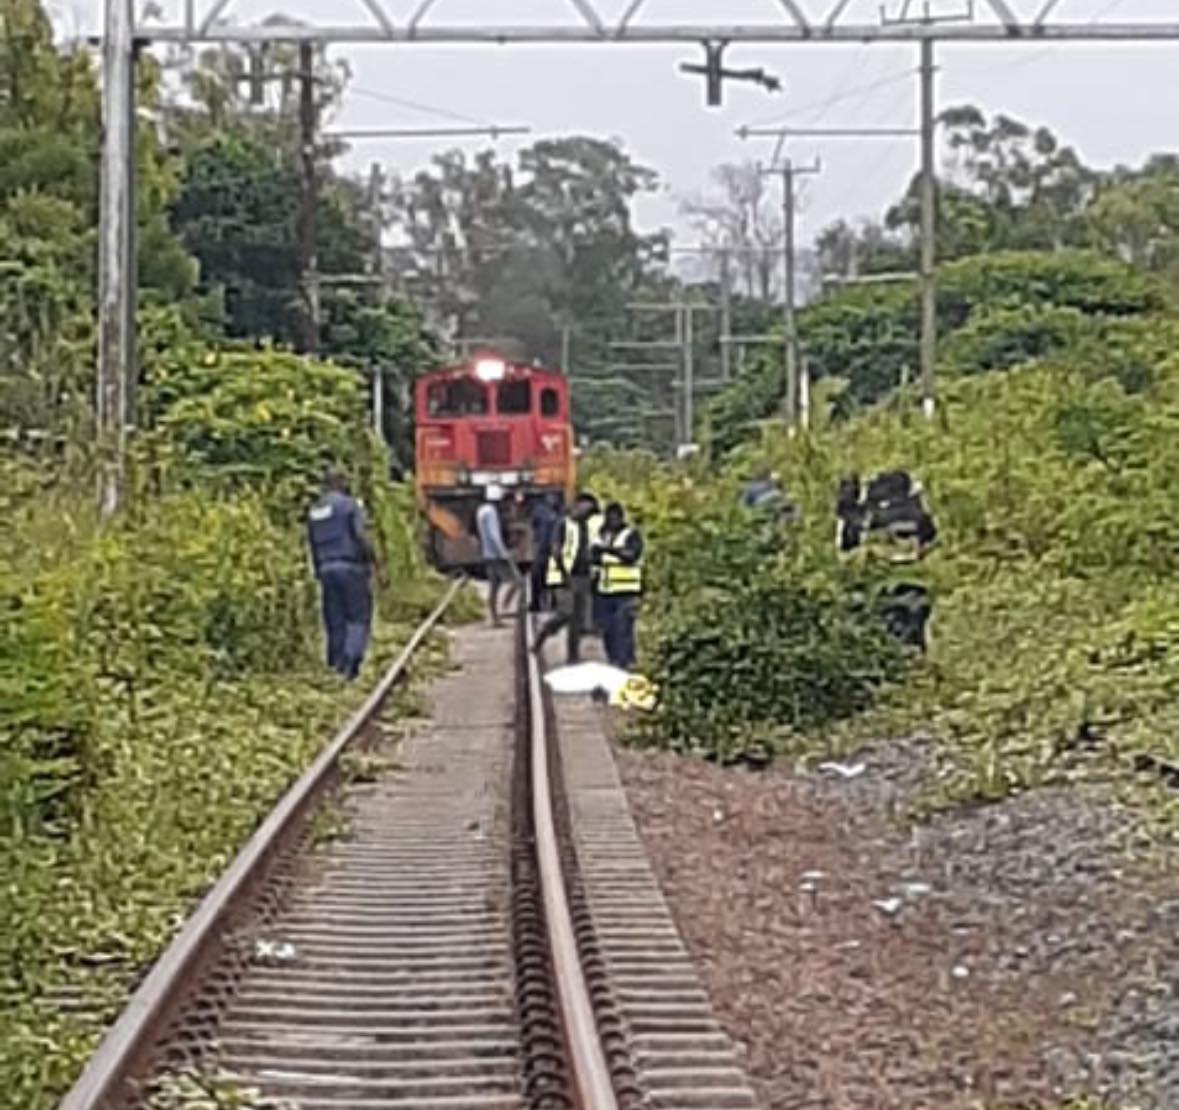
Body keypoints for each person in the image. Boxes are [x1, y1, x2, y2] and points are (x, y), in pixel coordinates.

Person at [307, 470, 376, 681]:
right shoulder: (348, 505)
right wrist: (372, 559)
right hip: (350, 566)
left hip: (326, 568)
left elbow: (310, 542)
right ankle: (350, 661)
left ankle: (335, 664)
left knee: (334, 620)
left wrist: (317, 568)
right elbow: (360, 535)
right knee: (358, 616)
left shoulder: (316, 510)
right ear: (342, 484)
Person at [534, 492, 599, 663]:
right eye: (587, 509)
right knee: (565, 613)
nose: (589, 514)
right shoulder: (563, 524)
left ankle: (573, 654)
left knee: (577, 619)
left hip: (583, 576)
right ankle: (543, 634)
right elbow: (556, 549)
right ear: (577, 506)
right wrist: (564, 573)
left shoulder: (588, 526)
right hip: (564, 577)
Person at [594, 501, 644, 670]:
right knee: (608, 630)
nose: (612, 520)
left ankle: (626, 662)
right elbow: (595, 559)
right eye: (609, 517)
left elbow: (630, 556)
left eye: (615, 517)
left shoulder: (631, 535)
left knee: (623, 629)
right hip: (605, 591)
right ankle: (614, 660)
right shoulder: (602, 535)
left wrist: (608, 550)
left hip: (627, 591)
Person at [476, 484, 521, 627]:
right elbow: (494, 535)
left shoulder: (481, 510)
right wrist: (503, 553)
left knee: (494, 586)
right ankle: (505, 607)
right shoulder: (491, 513)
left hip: (487, 554)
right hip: (497, 555)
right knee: (517, 581)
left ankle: (494, 617)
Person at [529, 493, 561, 613]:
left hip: (553, 547)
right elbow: (534, 526)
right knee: (538, 574)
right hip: (543, 547)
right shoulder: (541, 511)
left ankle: (553, 602)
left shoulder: (560, 513)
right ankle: (536, 602)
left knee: (553, 576)